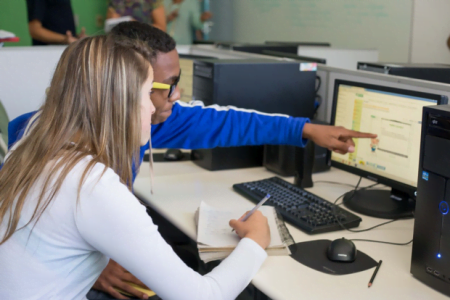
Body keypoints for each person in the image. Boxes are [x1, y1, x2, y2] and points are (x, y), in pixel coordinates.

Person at [7, 22, 376, 299]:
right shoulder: (90, 181)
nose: (171, 100)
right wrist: (256, 241)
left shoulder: (45, 139)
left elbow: (225, 122)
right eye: (154, 91)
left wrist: (306, 129)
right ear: (117, 95)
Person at [0, 35, 271, 300]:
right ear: (121, 103)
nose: (153, 110)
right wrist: (256, 240)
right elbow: (204, 296)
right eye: (146, 93)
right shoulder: (91, 185)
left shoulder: (32, 143)